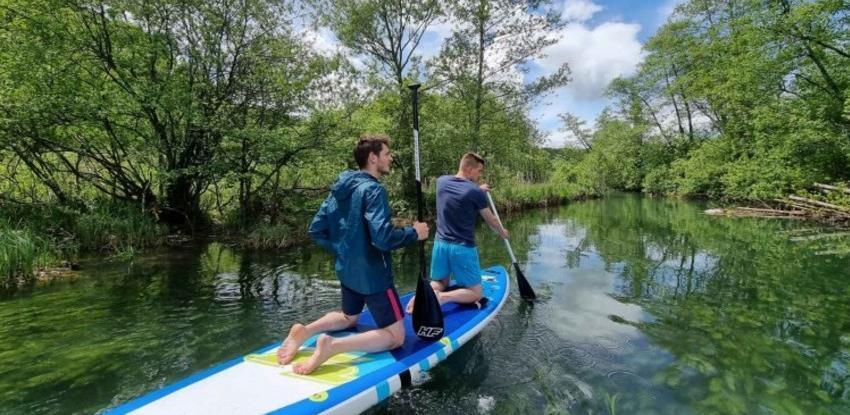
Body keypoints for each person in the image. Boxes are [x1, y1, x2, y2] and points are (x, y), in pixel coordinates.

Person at [276, 134, 429, 375]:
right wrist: (413, 233)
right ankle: (333, 347)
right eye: (387, 154)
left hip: (347, 270)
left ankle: (305, 331)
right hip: (374, 277)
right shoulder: (374, 190)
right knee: (396, 337)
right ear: (372, 158)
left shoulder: (339, 190)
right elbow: (382, 238)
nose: (391, 158)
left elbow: (316, 229)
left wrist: (343, 251)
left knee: (349, 316)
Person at [406, 152, 508, 313]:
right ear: (468, 168)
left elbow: (461, 189)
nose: (480, 175)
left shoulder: (441, 182)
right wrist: (502, 231)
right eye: (479, 171)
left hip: (440, 245)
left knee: (440, 282)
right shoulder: (474, 191)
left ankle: (424, 295)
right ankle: (442, 298)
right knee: (475, 293)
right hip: (462, 248)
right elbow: (491, 220)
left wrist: (478, 189)